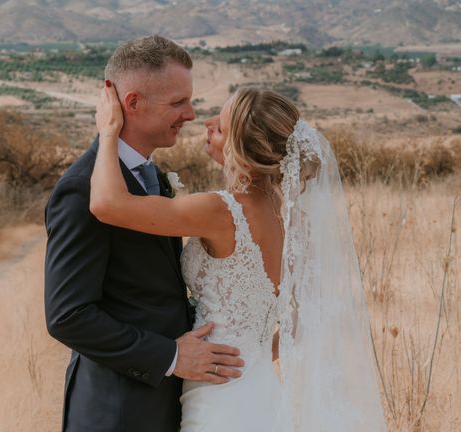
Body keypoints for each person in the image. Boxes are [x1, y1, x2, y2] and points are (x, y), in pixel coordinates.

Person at [91, 83, 389, 431]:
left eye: (219, 127)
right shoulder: (298, 222)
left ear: (242, 152)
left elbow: (106, 204)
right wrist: (255, 349)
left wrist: (108, 132)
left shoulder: (221, 212)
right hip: (262, 387)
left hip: (220, 398)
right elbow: (311, 315)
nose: (206, 123)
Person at [44, 35, 243, 432]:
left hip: (169, 400)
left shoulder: (150, 175)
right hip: (118, 409)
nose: (190, 114)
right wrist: (170, 356)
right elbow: (68, 315)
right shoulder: (82, 189)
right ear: (132, 103)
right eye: (177, 102)